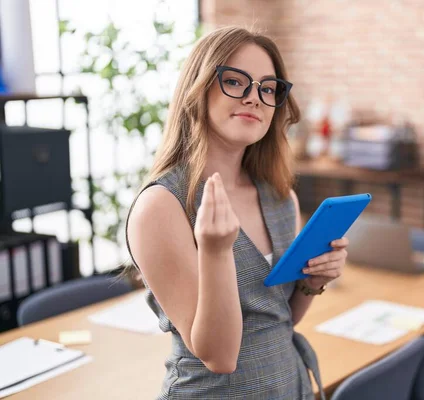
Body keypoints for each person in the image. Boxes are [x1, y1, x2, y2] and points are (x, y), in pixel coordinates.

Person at [125, 26, 349, 399]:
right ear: (198, 89)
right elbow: (219, 355)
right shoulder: (161, 206)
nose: (254, 98)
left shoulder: (280, 197)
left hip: (288, 385)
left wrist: (314, 280)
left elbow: (280, 319)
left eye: (267, 88)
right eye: (235, 81)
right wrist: (215, 251)